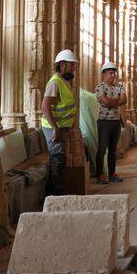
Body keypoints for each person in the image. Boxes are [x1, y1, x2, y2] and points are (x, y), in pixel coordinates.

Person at [41, 49, 79, 196]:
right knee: (58, 159)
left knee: (58, 159)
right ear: (62, 65)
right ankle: (58, 195)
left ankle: (52, 193)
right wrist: (55, 128)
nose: (74, 68)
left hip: (61, 128)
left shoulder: (64, 82)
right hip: (52, 128)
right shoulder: (55, 82)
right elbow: (45, 106)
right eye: (72, 65)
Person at [94, 61, 126, 184]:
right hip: (104, 122)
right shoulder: (99, 87)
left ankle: (112, 173)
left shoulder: (120, 86)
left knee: (113, 149)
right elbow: (104, 102)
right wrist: (116, 101)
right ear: (104, 74)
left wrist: (110, 101)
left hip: (116, 121)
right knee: (102, 149)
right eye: (110, 73)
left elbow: (124, 100)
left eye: (114, 73)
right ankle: (100, 175)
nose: (113, 75)